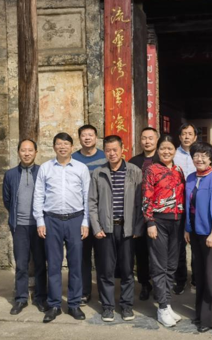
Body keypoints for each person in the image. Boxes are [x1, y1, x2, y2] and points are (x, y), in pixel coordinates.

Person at [33, 132, 91, 323]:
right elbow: (38, 195)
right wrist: (40, 221)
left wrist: (86, 222)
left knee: (76, 264)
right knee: (54, 264)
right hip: (52, 220)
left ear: (72, 147)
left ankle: (74, 304)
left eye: (66, 144)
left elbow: (87, 196)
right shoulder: (46, 168)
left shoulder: (81, 168)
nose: (62, 147)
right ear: (54, 147)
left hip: (75, 219)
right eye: (59, 144)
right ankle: (54, 304)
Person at [89, 135, 144, 323]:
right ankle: (107, 307)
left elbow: (141, 203)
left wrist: (138, 227)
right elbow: (92, 202)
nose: (111, 153)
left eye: (115, 150)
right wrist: (96, 227)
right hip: (106, 229)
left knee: (127, 270)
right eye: (108, 150)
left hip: (127, 229)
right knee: (106, 270)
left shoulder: (134, 171)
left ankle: (127, 306)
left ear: (122, 150)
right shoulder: (98, 173)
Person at [184, 142, 212, 333]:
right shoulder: (191, 177)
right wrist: (187, 228)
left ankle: (211, 319)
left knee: (210, 276)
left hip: (210, 234)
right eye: (196, 155)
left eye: (204, 155)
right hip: (194, 232)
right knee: (199, 274)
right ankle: (200, 313)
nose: (200, 159)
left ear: (211, 159)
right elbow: (188, 206)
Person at [143, 135, 185, 328]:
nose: (166, 152)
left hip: (177, 222)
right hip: (158, 222)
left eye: (170, 148)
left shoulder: (178, 170)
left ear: (175, 151)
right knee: (159, 266)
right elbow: (146, 197)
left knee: (171, 266)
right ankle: (161, 307)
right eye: (163, 148)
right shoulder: (152, 170)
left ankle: (167, 304)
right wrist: (150, 222)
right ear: (158, 151)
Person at [2, 138, 47, 315]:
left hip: (39, 226)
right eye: (23, 150)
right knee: (21, 264)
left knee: (40, 263)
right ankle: (20, 298)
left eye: (30, 150)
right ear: (18, 152)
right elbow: (7, 200)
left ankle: (40, 297)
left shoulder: (42, 172)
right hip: (20, 226)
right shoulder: (10, 174)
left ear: (36, 152)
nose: (27, 154)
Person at [72, 124, 106, 305]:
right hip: (80, 215)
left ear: (96, 137)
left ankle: (104, 293)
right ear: (79, 138)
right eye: (84, 135)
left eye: (90, 135)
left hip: (100, 215)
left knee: (102, 256)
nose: (87, 138)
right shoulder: (73, 159)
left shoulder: (104, 158)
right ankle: (84, 291)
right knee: (82, 256)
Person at [129, 126, 159, 301]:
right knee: (141, 252)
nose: (147, 141)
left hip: (158, 213)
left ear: (156, 139)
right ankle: (145, 284)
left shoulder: (162, 159)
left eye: (150, 138)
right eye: (144, 138)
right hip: (139, 212)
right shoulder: (134, 161)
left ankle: (159, 284)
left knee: (157, 251)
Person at [173, 123, 197, 294]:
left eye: (190, 134)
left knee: (196, 244)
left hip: (197, 205)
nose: (187, 137)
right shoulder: (173, 154)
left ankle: (196, 278)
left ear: (195, 137)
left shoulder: (201, 154)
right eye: (184, 134)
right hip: (178, 204)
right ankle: (180, 279)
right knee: (179, 244)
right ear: (179, 136)